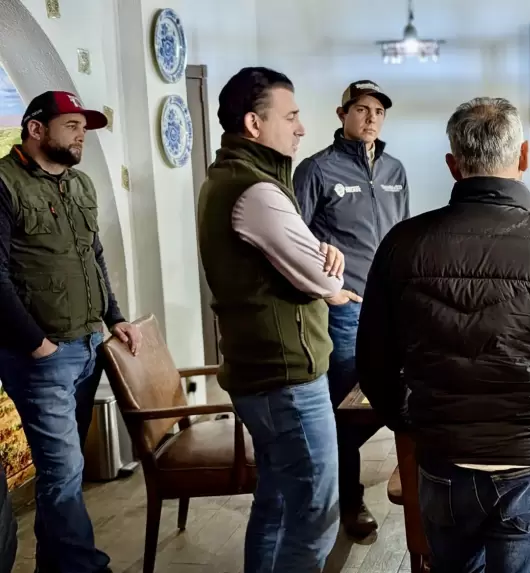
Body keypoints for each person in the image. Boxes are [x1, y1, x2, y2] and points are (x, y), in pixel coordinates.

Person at [357, 97, 530, 573]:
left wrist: (412, 421)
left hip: (442, 460)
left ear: (453, 166)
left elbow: (372, 360)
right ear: (523, 156)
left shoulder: (403, 244)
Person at [197, 67, 348, 571]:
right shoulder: (257, 190)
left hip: (260, 373)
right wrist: (327, 275)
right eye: (291, 116)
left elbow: (302, 257)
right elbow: (324, 282)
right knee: (315, 512)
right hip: (284, 377)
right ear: (253, 124)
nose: (301, 127)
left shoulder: (237, 177)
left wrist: (318, 256)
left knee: (278, 499)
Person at [0, 91, 140, 573]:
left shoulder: (80, 185)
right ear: (36, 129)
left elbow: (93, 258)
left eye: (85, 126)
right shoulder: (3, 183)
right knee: (62, 472)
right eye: (72, 125)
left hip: (86, 346)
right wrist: (34, 342)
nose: (82, 135)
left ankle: (53, 567)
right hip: (39, 354)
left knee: (65, 472)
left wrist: (115, 318)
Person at [293, 79, 409, 537]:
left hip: (393, 308)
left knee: (392, 398)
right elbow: (294, 241)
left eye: (379, 111)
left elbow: (400, 236)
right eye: (362, 109)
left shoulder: (396, 169)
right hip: (344, 311)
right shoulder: (315, 169)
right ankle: (348, 500)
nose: (371, 118)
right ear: (342, 114)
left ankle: (332, 464)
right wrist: (328, 289)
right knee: (345, 409)